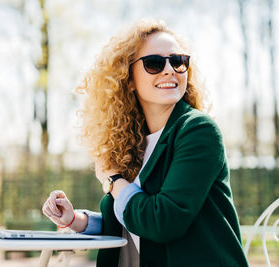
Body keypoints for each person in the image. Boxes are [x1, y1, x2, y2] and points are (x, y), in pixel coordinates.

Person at [42, 19, 249, 267]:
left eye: (178, 61)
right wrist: (76, 220)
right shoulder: (130, 142)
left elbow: (161, 223)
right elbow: (132, 217)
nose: (169, 70)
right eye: (154, 63)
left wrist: (114, 182)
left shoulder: (198, 130)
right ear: (127, 78)